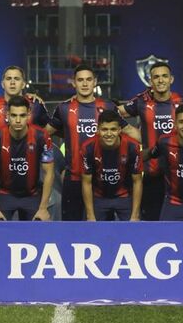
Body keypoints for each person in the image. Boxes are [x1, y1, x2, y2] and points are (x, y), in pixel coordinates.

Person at [45, 64, 140, 221]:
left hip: (100, 184)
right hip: (74, 179)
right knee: (72, 230)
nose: (84, 83)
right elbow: (43, 133)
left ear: (95, 82)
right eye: (80, 80)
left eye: (88, 79)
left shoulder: (108, 106)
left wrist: (156, 145)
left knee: (101, 232)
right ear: (74, 83)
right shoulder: (63, 108)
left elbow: (128, 130)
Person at [118, 62, 183, 221]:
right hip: (151, 172)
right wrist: (134, 133)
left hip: (179, 172)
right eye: (156, 77)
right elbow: (114, 114)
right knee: (151, 221)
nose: (161, 80)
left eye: (164, 76)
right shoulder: (142, 102)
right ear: (150, 81)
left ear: (171, 79)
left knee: (178, 222)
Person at [0, 96, 54, 221]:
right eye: (13, 115)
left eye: (22, 116)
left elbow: (49, 172)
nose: (18, 120)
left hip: (32, 195)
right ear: (7, 115)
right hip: (5, 194)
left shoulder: (42, 136)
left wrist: (43, 208)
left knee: (37, 235)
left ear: (28, 115)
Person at [81, 110, 143, 221]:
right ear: (98, 130)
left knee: (133, 233)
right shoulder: (88, 147)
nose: (109, 134)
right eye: (104, 129)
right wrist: (90, 216)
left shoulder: (133, 147)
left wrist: (135, 215)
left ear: (120, 130)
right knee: (92, 234)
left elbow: (137, 181)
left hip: (124, 196)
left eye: (113, 129)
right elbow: (86, 182)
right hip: (99, 197)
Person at [0, 65, 50, 131]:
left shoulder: (35, 105)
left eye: (16, 79)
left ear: (23, 84)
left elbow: (52, 128)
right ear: (3, 84)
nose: (12, 82)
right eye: (8, 79)